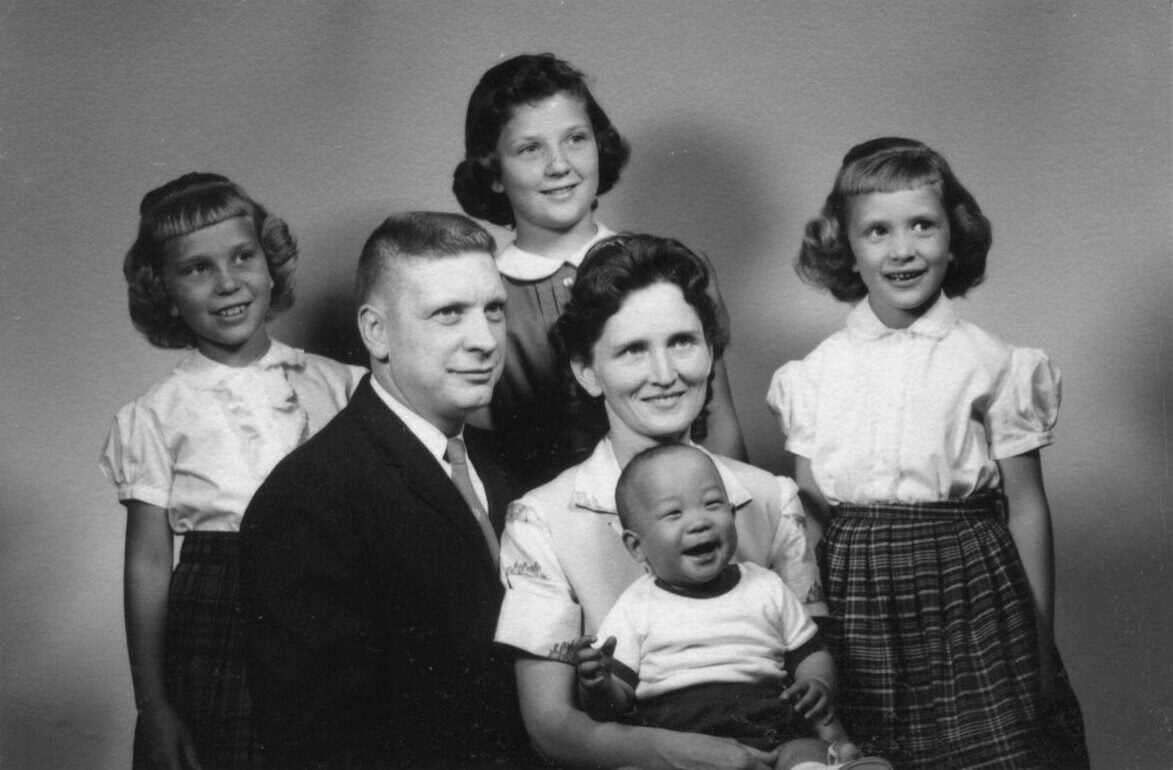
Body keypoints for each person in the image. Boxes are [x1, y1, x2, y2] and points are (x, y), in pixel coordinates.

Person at [767, 137, 1089, 769]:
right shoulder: (813, 375)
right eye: (878, 231)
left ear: (953, 234)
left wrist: (1041, 641)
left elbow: (1025, 507)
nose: (903, 249)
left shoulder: (993, 362)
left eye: (923, 225)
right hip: (857, 600)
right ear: (845, 246)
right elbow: (807, 519)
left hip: (972, 589)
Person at [495, 233, 825, 770]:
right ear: (586, 371)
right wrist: (681, 752)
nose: (666, 374)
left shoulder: (771, 498)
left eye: (682, 342)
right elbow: (551, 727)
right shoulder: (541, 519)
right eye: (632, 350)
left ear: (710, 351)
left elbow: (813, 676)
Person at [239, 211, 536, 768]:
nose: (485, 340)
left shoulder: (507, 471)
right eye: (449, 314)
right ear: (376, 332)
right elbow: (315, 746)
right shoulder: (308, 499)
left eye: (493, 310)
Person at [100, 172, 364, 769]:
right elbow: (146, 564)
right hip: (220, 619)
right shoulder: (157, 413)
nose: (227, 283)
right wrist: (153, 705)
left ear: (270, 265)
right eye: (197, 269)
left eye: (243, 257)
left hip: (335, 603)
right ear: (164, 291)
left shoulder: (342, 386)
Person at [453, 52, 747, 488]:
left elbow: (720, 425)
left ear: (599, 144)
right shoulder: (482, 296)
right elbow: (481, 458)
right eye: (530, 148)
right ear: (493, 172)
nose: (559, 165)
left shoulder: (673, 271)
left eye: (575, 139)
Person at [574, 444, 892, 770]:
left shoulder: (766, 586)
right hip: (684, 740)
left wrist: (817, 682)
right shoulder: (635, 606)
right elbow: (614, 702)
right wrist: (598, 685)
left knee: (806, 750)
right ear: (636, 545)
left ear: (733, 515)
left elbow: (811, 654)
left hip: (773, 722)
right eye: (674, 513)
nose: (699, 521)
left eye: (712, 504)